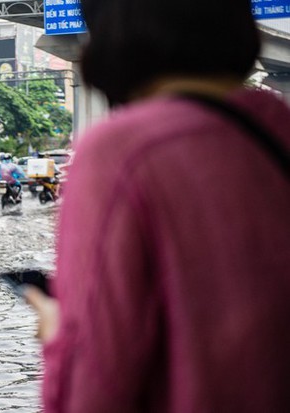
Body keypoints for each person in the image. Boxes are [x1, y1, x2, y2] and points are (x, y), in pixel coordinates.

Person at [26, 1, 290, 412]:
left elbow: (90, 390)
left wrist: (58, 331)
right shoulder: (279, 127)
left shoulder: (121, 153)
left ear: (109, 31)